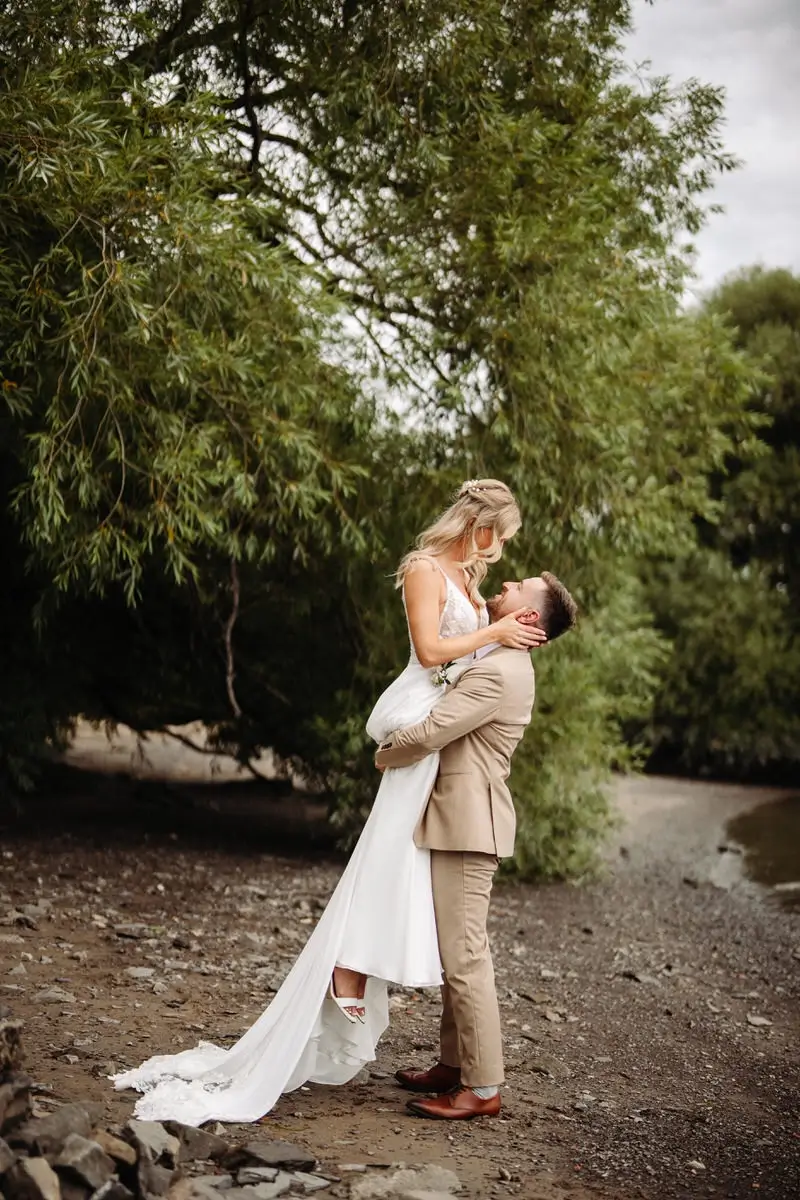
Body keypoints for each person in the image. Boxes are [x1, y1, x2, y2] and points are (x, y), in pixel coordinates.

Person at [112, 479, 544, 1124]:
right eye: (501, 535)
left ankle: (373, 984)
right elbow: (429, 653)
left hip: (441, 745)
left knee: (399, 859)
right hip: (422, 717)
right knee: (389, 849)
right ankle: (352, 968)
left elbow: (473, 670)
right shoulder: (426, 569)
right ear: (478, 523)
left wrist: (493, 630)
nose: (503, 550)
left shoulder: (474, 586)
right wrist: (493, 635)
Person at [376, 572, 578, 1120]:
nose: (506, 582)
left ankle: (483, 1086)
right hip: (458, 817)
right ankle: (454, 1063)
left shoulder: (499, 672)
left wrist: (382, 752)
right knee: (454, 952)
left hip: (471, 823)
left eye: (519, 585)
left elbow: (431, 731)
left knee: (466, 955)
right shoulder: (496, 658)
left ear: (529, 617)